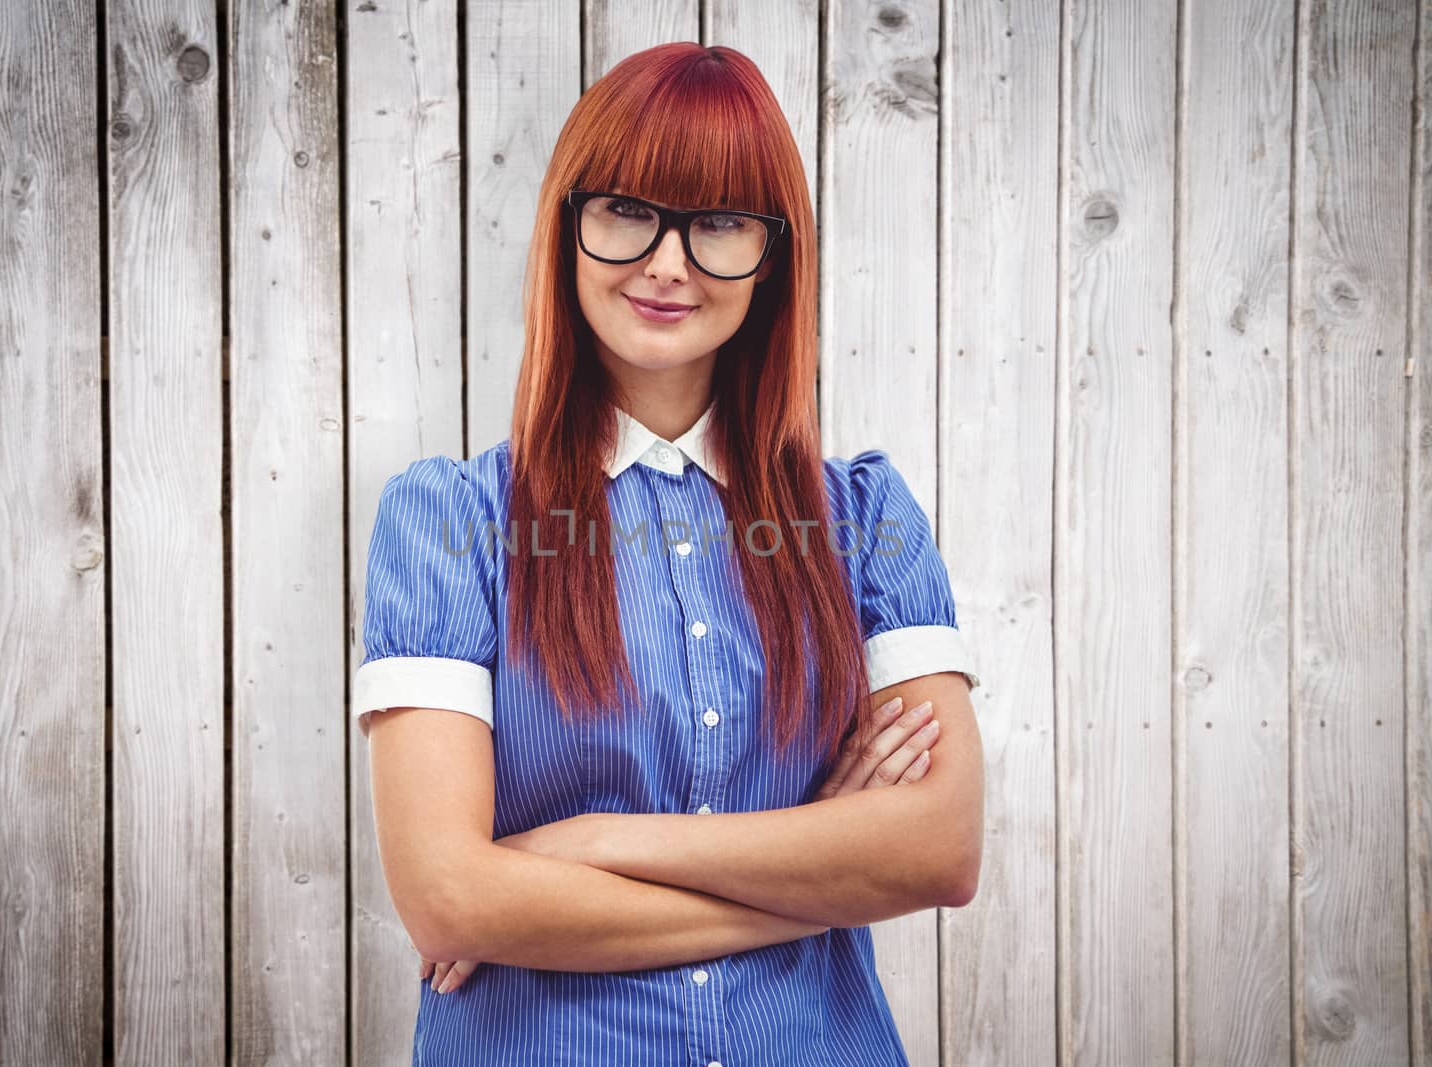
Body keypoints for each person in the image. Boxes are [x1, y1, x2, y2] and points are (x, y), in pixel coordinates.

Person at [354, 41, 984, 1067]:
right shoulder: (446, 522)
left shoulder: (865, 516)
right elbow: (452, 897)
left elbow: (938, 850)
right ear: (568, 226)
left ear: (773, 252)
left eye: (719, 222)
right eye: (627, 211)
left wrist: (586, 845)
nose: (666, 263)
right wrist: (819, 868)